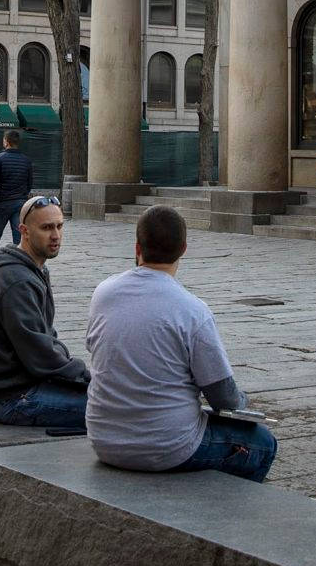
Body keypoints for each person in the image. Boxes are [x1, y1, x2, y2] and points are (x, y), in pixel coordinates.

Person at [86, 206, 276, 483]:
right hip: (168, 447)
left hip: (104, 441)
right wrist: (245, 404)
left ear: (137, 246)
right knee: (261, 443)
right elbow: (223, 396)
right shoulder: (192, 310)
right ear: (183, 249)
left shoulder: (102, 294)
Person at [0, 196, 90, 428]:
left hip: (28, 384)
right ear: (24, 231)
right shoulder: (17, 281)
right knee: (118, 409)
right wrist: (88, 377)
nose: (55, 235)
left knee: (116, 402)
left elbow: (45, 338)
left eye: (59, 226)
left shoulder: (33, 270)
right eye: (46, 228)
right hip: (15, 398)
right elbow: (41, 354)